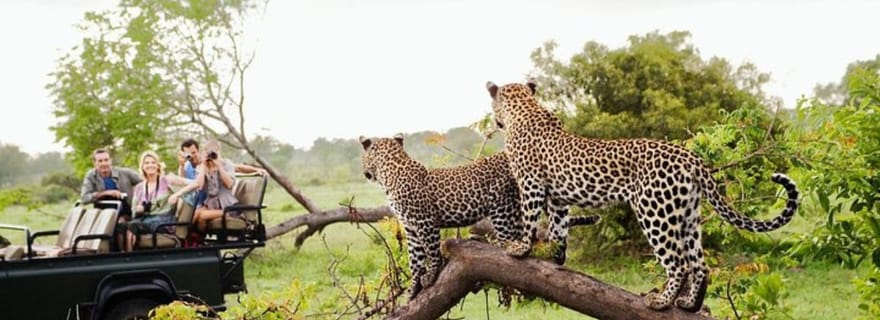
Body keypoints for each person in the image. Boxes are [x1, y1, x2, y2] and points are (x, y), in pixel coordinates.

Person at [170, 140, 242, 235]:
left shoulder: (226, 164)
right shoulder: (202, 167)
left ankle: (190, 239)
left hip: (228, 207)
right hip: (211, 205)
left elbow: (229, 184)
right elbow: (198, 186)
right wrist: (204, 166)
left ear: (218, 152)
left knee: (202, 215)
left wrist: (219, 166)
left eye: (213, 153)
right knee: (194, 214)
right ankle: (194, 239)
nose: (210, 156)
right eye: (208, 153)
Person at [124, 151, 192, 252]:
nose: (150, 165)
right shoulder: (139, 188)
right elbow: (134, 212)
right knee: (123, 227)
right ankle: (126, 255)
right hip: (145, 219)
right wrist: (140, 210)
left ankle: (129, 259)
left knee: (133, 226)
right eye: (147, 163)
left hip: (164, 220)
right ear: (142, 167)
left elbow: (194, 184)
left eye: (153, 162)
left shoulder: (167, 180)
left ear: (158, 165)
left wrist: (177, 194)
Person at [80, 148, 143, 250]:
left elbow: (146, 182)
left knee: (120, 224)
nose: (104, 163)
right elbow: (84, 198)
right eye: (100, 161)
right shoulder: (91, 176)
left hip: (125, 212)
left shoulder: (125, 173)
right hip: (103, 215)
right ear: (94, 163)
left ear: (111, 160)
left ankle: (123, 255)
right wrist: (106, 193)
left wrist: (139, 197)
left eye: (106, 160)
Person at [176, 138, 267, 207]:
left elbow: (237, 168)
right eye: (188, 154)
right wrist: (181, 165)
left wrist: (256, 170)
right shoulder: (187, 166)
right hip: (198, 200)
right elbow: (183, 180)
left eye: (194, 153)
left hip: (210, 200)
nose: (192, 156)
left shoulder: (211, 160)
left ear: (198, 151)